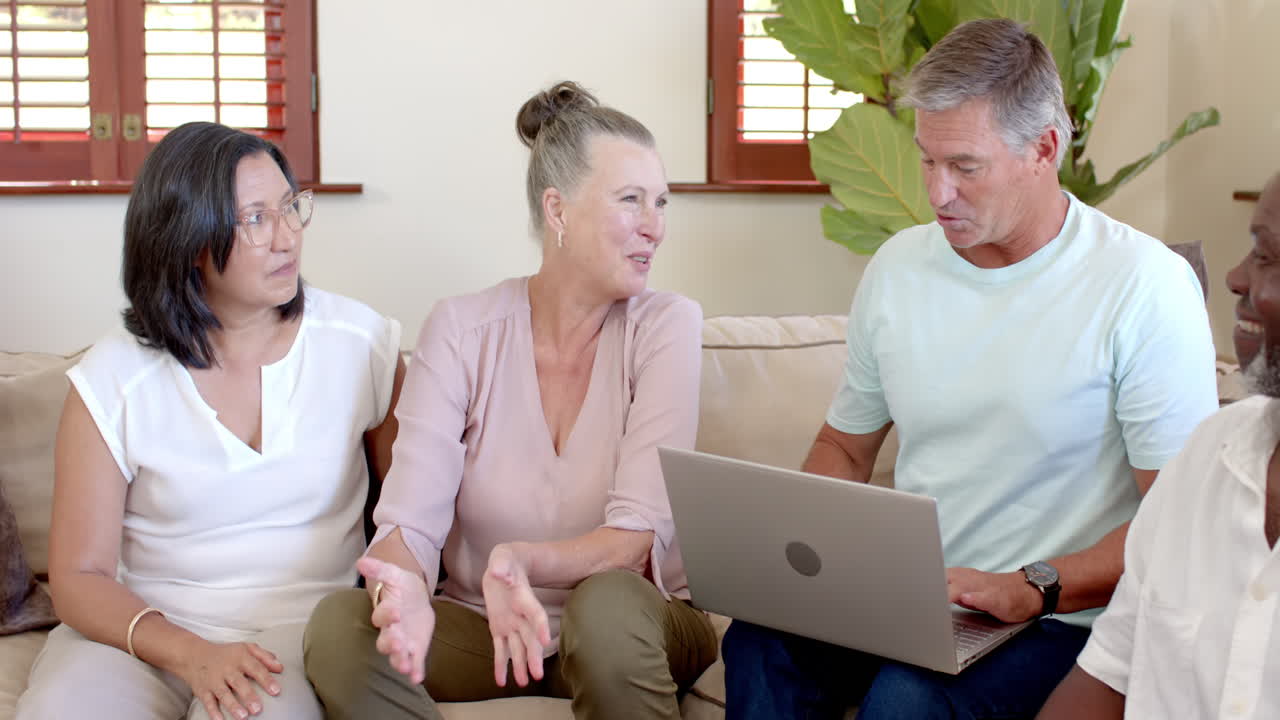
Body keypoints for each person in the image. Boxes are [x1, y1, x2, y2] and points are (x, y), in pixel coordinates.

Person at [720, 18, 1219, 719]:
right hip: (914, 611)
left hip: (1060, 620)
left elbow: (1181, 516)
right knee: (758, 645)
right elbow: (844, 446)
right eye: (927, 160)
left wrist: (1032, 585)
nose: (938, 192)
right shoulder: (898, 269)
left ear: (1044, 148)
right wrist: (811, 564)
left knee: (909, 699)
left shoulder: (1141, 285)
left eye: (965, 166)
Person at [302, 81, 717, 720]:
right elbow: (408, 524)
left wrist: (518, 561)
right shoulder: (462, 330)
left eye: (661, 202)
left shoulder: (666, 326)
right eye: (630, 200)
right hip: (485, 630)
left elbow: (635, 541)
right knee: (340, 627)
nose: (654, 227)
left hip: (636, 624)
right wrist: (400, 591)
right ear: (558, 211)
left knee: (603, 606)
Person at [15, 121, 404, 720]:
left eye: (290, 208)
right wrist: (191, 653)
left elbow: (413, 517)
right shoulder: (114, 375)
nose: (287, 238)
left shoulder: (362, 345)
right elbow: (78, 576)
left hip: (296, 639)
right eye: (255, 219)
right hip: (139, 632)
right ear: (189, 242)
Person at [1036, 173, 1280, 719]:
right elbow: (1106, 675)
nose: (1236, 277)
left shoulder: (1140, 281)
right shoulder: (1207, 457)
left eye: (1267, 257)